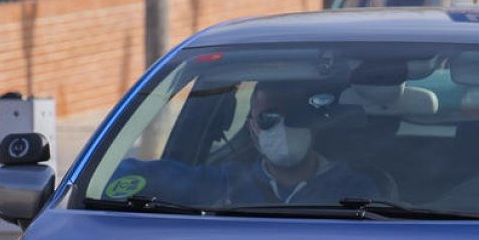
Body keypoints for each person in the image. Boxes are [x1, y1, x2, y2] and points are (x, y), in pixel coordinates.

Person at [104, 80, 380, 207]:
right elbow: (131, 177)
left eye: (293, 117)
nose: (281, 127)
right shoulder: (225, 182)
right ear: (252, 127)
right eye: (269, 118)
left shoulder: (354, 190)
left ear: (314, 126)